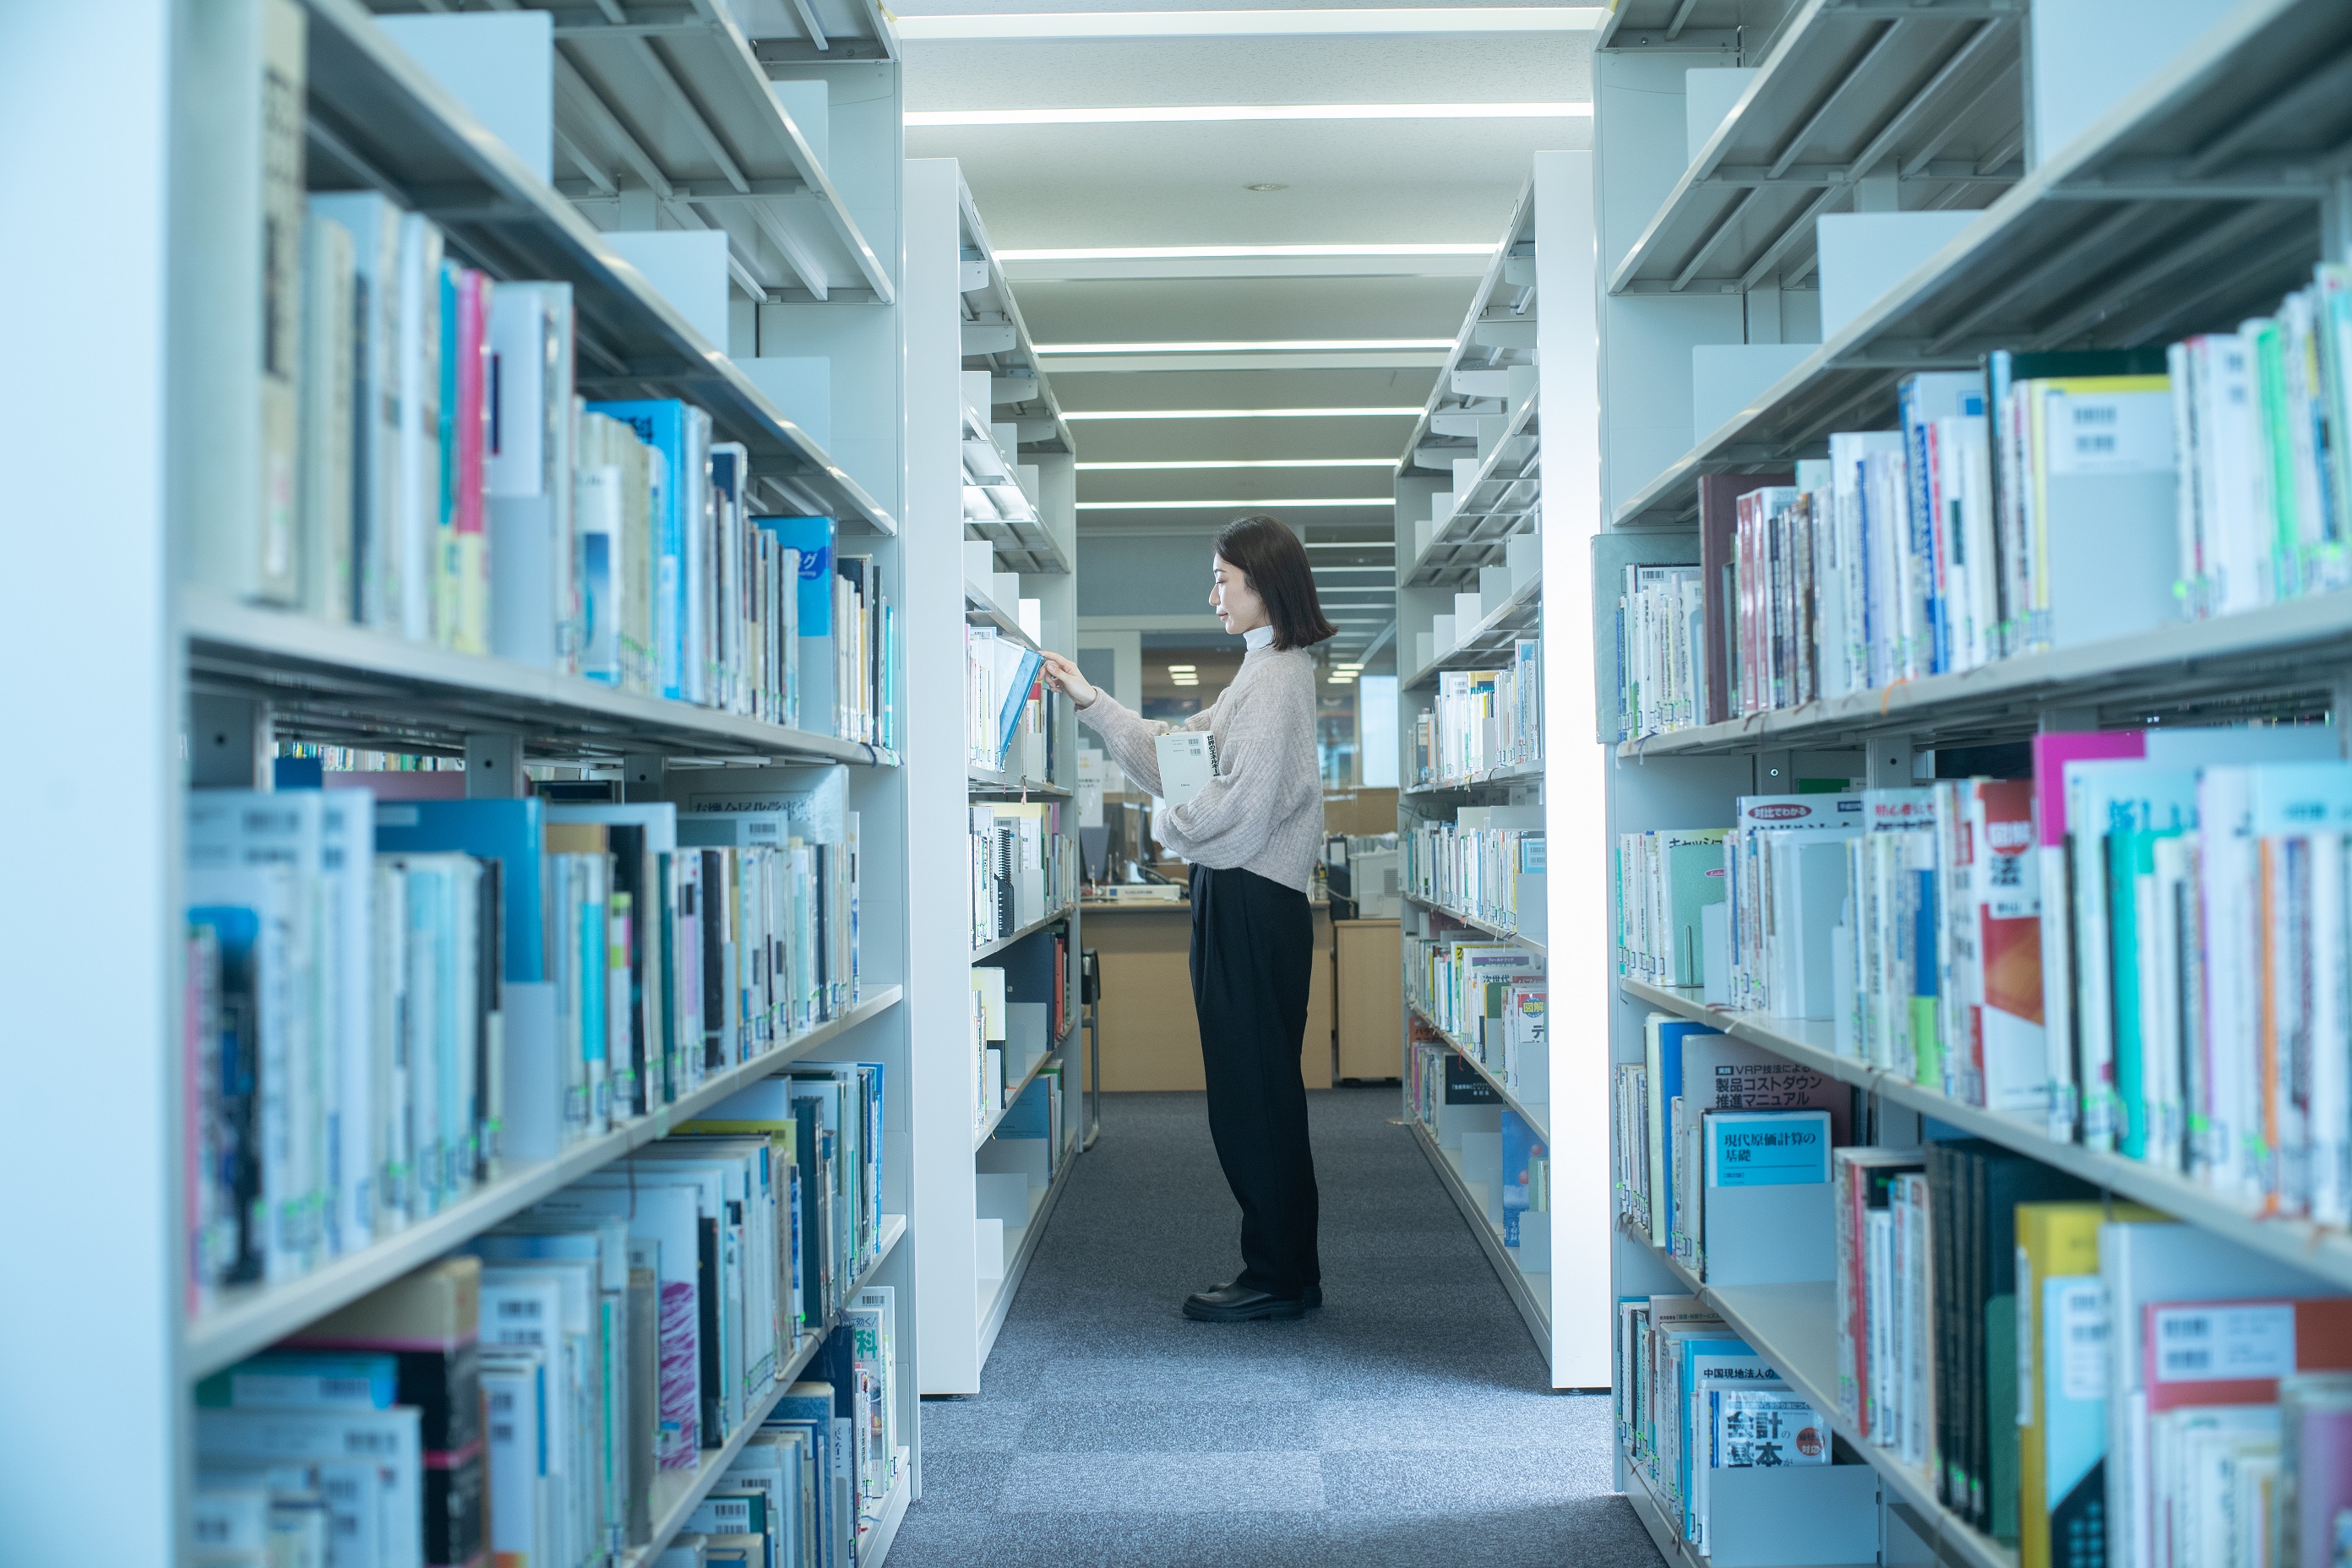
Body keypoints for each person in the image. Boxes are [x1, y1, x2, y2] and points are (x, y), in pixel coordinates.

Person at [1038, 514, 1336, 1322]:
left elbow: (1235, 812)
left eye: (1221, 581)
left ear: (1263, 584)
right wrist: (1093, 703)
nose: (1213, 597)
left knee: (1251, 1094)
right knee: (1257, 1089)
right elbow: (1179, 750)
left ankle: (1276, 1275)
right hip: (1245, 897)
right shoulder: (1263, 670)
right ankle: (1287, 1268)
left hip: (1249, 897)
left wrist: (1168, 825)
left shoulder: (1277, 679)